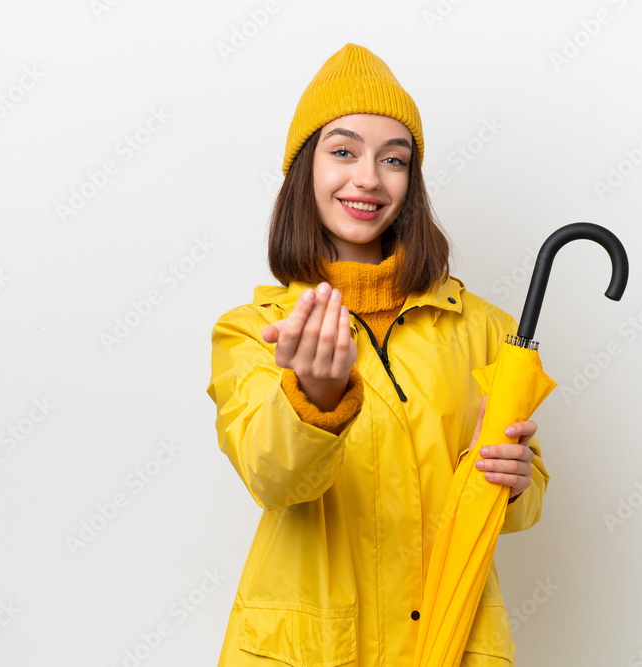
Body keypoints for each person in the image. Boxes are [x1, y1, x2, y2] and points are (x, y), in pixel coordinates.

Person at [207, 43, 548, 666]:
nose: (368, 177)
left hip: (450, 640)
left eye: (394, 159)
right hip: (312, 650)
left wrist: (518, 482)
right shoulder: (256, 330)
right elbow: (272, 478)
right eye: (343, 152)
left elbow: (518, 504)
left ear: (410, 182)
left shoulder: (486, 330)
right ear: (304, 169)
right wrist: (315, 399)